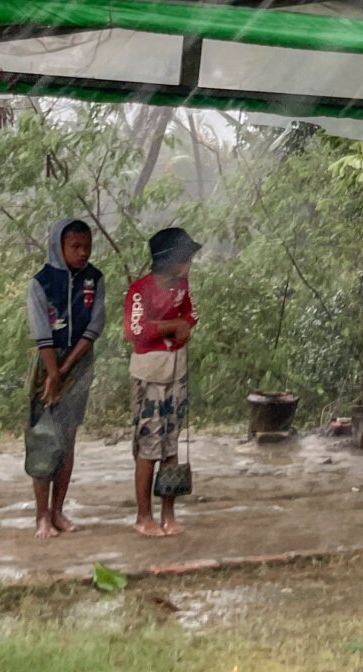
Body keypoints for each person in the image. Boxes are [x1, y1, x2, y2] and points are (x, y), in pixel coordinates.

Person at [26, 218, 104, 539]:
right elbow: (41, 332)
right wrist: (53, 373)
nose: (82, 252)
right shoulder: (41, 282)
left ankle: (59, 510)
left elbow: (95, 325)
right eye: (74, 247)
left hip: (79, 363)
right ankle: (41, 516)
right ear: (58, 247)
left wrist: (67, 369)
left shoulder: (95, 279)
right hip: (47, 363)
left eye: (86, 246)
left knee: (67, 438)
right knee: (44, 437)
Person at [124, 226, 201, 538]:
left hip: (175, 371)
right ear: (173, 261)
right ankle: (144, 515)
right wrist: (173, 326)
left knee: (171, 444)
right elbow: (135, 331)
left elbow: (190, 315)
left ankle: (169, 512)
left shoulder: (181, 285)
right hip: (150, 374)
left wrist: (183, 326)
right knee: (148, 445)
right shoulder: (140, 290)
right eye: (187, 259)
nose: (189, 265)